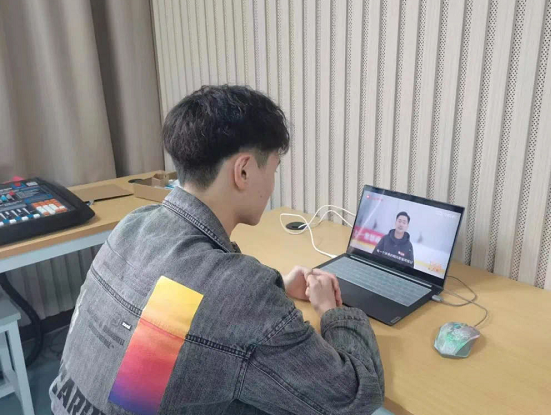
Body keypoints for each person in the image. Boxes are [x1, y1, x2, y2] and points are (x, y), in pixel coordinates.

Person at [49, 85, 384, 415]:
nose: (272, 184)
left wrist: (277, 287)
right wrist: (332, 312)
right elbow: (355, 398)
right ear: (243, 171)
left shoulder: (134, 225)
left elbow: (177, 317)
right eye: (273, 169)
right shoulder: (242, 292)